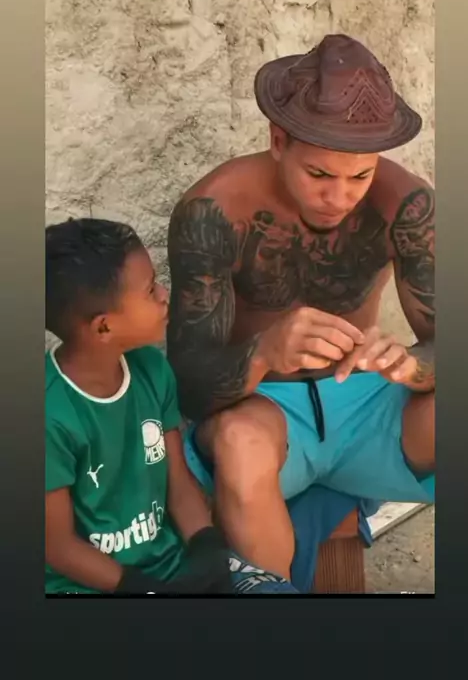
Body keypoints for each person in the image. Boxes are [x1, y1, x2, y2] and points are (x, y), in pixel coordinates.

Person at [166, 34, 435, 582]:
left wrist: (413, 366)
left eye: (359, 176)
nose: (340, 197)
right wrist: (264, 352)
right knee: (240, 442)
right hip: (263, 410)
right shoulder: (214, 210)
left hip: (370, 407)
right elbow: (189, 387)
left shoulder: (405, 203)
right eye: (319, 175)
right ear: (278, 140)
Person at [45, 218, 299, 594]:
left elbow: (177, 481)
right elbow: (58, 547)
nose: (165, 294)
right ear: (103, 328)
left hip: (171, 565)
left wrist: (207, 546)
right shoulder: (49, 415)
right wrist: (142, 590)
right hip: (95, 586)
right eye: (150, 290)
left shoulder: (150, 368)